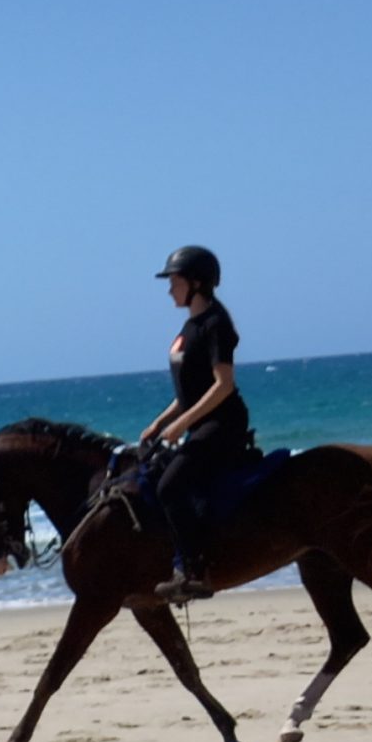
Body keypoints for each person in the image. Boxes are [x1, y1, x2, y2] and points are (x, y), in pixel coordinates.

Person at [138, 245, 255, 604]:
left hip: (223, 424)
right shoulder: (189, 326)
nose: (169, 289)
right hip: (200, 421)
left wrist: (183, 423)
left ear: (196, 283)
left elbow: (223, 385)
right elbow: (189, 391)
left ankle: (194, 571)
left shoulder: (216, 324)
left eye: (174, 281)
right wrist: (160, 423)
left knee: (171, 486)